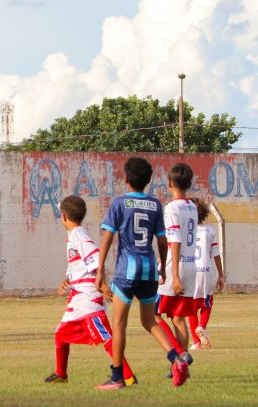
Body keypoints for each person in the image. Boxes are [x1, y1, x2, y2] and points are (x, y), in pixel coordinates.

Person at [96, 157, 189, 389]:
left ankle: (117, 377)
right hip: (149, 271)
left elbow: (107, 237)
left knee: (118, 324)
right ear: (148, 180)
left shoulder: (118, 203)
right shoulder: (156, 204)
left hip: (127, 272)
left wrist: (100, 271)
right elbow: (162, 241)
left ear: (126, 178)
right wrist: (163, 268)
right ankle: (176, 358)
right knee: (150, 321)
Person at [45, 196, 136, 386]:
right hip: (77, 297)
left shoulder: (78, 234)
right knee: (60, 334)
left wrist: (102, 287)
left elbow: (94, 258)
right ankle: (61, 374)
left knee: (106, 336)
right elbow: (79, 263)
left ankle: (127, 376)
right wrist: (67, 278)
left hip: (88, 296)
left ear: (64, 217)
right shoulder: (74, 234)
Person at [153, 163, 199, 368]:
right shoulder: (192, 206)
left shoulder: (172, 207)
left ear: (169, 183)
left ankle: (179, 354)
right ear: (189, 183)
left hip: (175, 268)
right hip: (191, 265)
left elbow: (175, 240)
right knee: (179, 317)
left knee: (152, 315)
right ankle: (181, 366)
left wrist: (174, 275)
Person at [186, 198, 225, 350]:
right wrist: (221, 275)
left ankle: (196, 342)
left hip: (189, 272)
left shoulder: (186, 231)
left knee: (191, 308)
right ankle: (201, 327)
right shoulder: (210, 231)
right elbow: (216, 254)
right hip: (206, 272)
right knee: (207, 304)